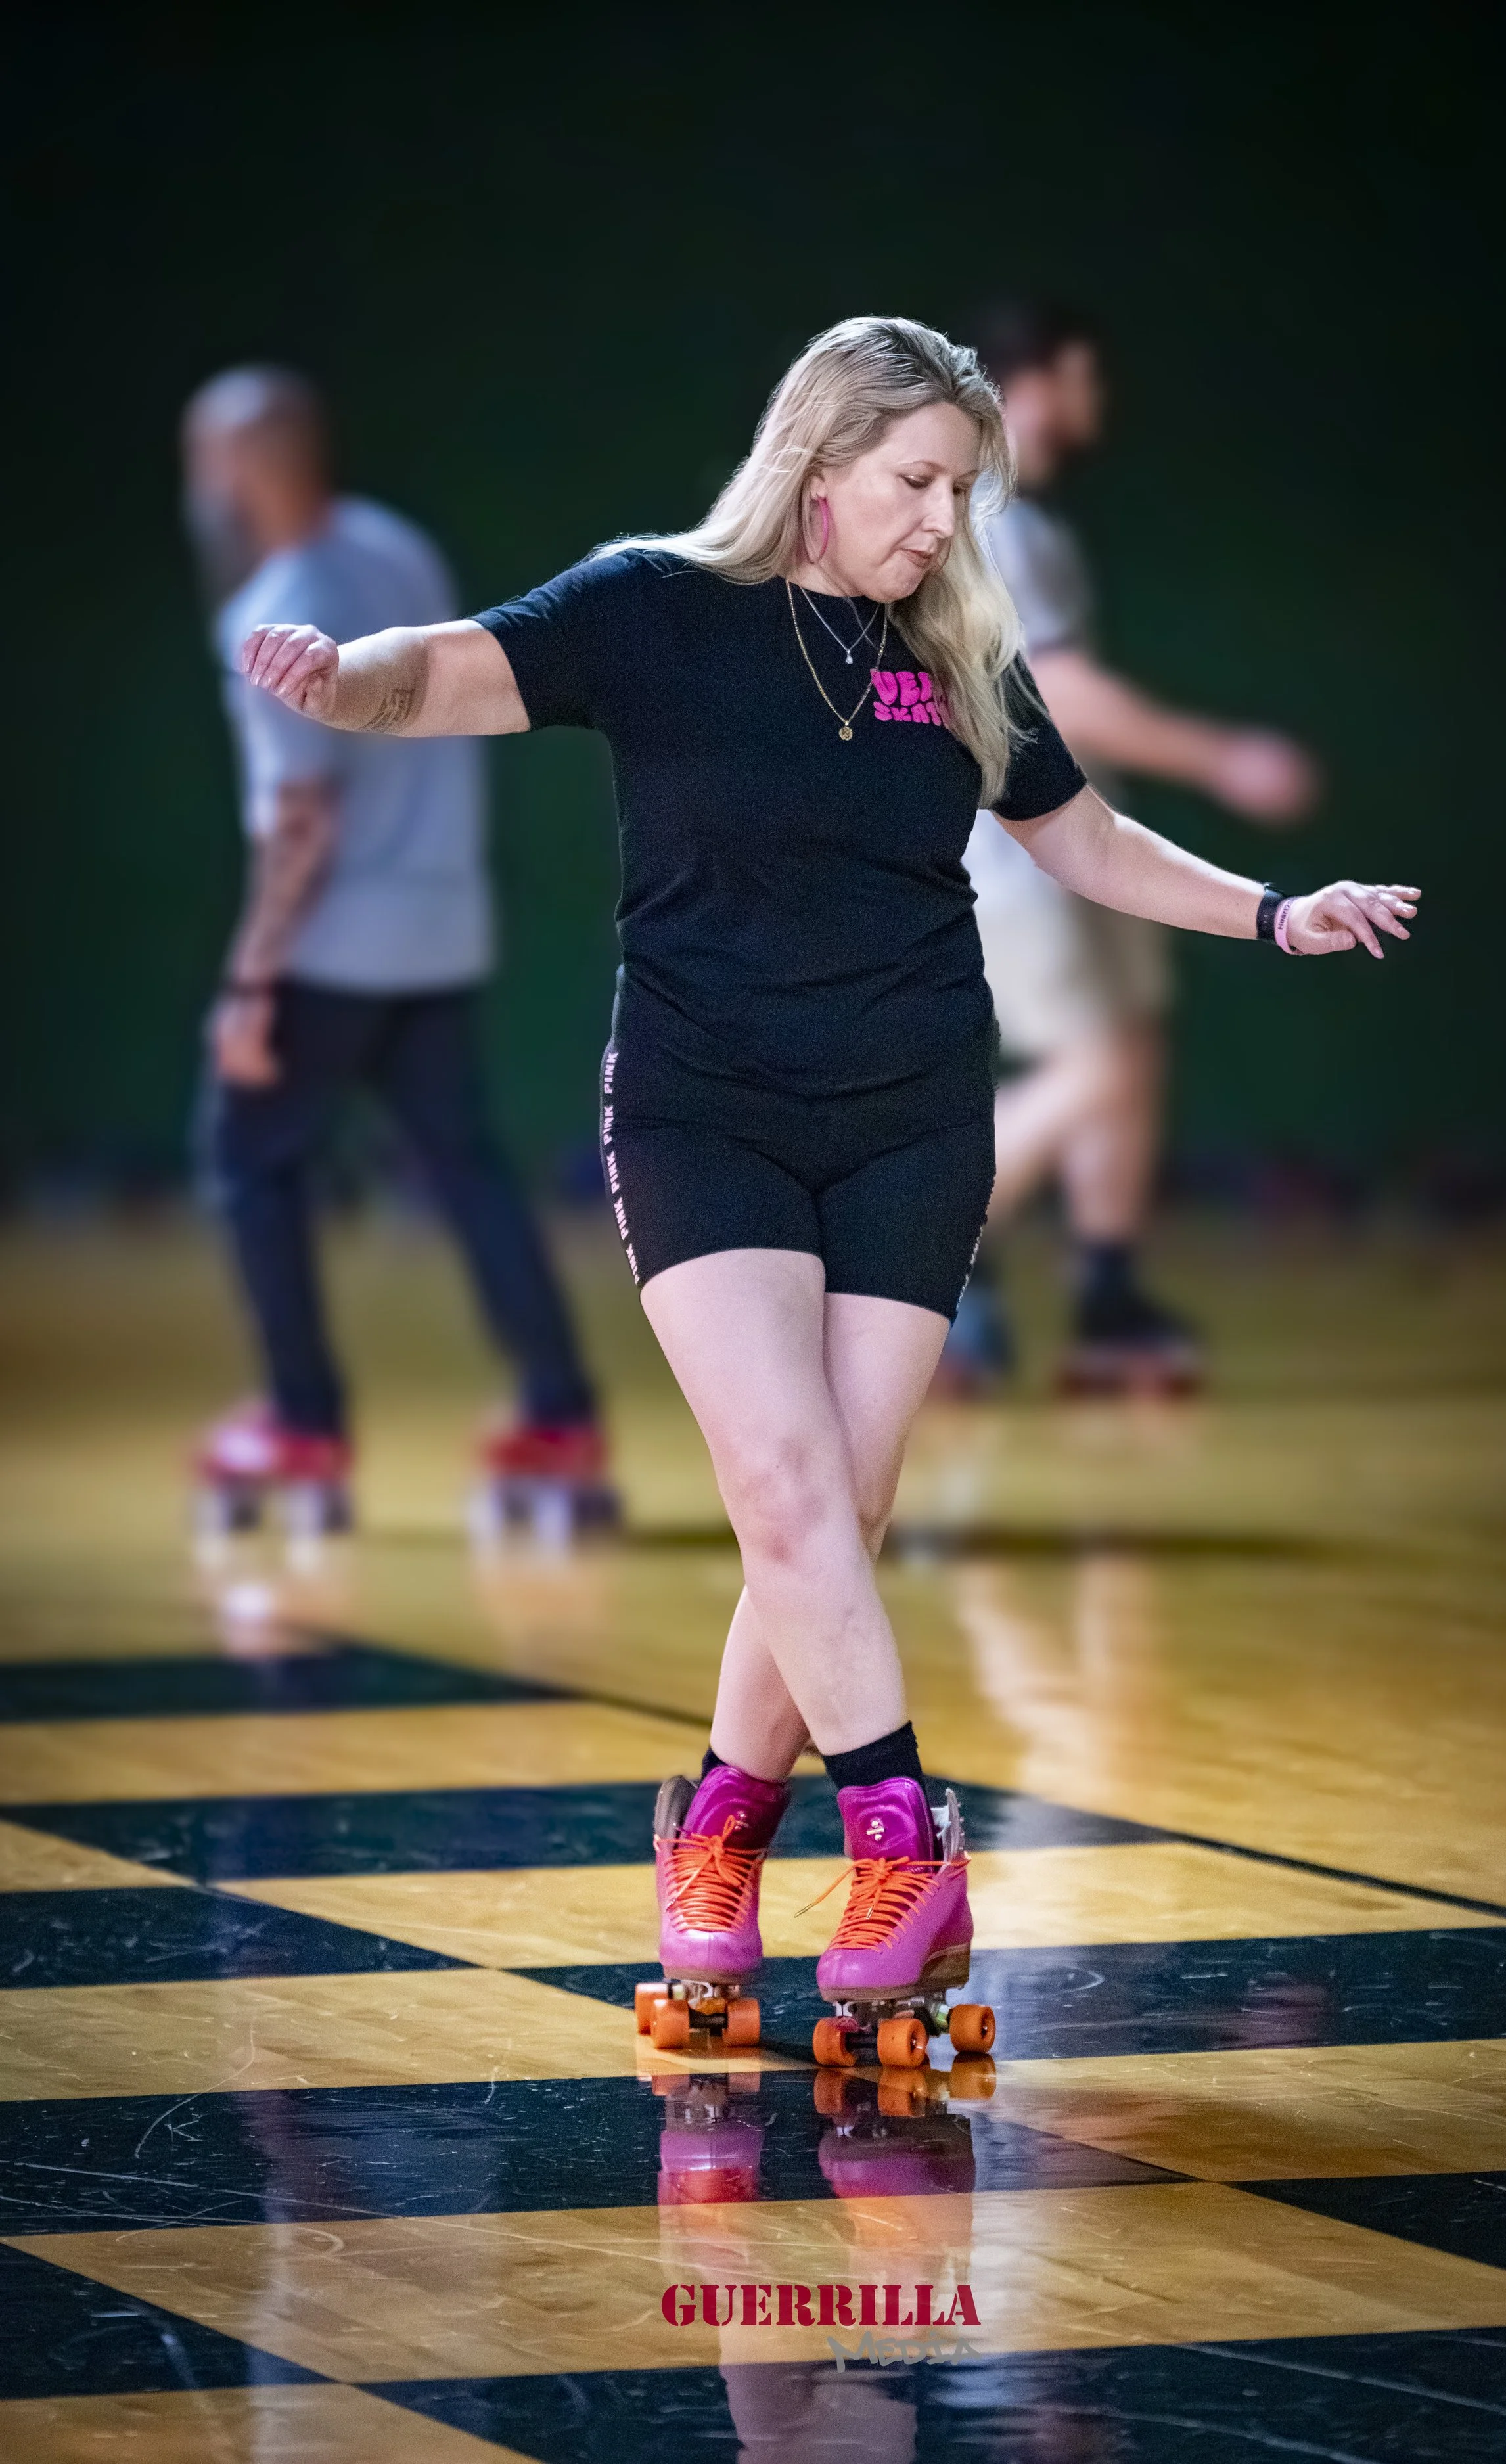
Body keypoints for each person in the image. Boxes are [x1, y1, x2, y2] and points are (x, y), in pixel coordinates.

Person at [236, 317, 1417, 2054]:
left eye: (963, 489)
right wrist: (342, 675)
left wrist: (1268, 907)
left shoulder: (954, 649)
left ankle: (714, 1830)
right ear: (818, 458)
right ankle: (900, 1832)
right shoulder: (650, 607)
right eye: (917, 483)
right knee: (782, 1491)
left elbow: (1079, 837)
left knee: (831, 1518)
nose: (944, 522)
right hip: (705, 1110)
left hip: (911, 1117)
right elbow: (449, 670)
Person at [183, 367, 610, 1536]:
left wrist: (252, 980)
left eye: (210, 460)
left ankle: (303, 1422)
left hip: (331, 951)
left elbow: (302, 816)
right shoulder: (399, 550)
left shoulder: (270, 603)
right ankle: (562, 1409)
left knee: (246, 1159)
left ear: (245, 466)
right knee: (469, 1174)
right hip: (438, 930)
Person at [949, 301, 1320, 1395]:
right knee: (1095, 1066)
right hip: (1007, 843)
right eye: (1086, 377)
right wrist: (1224, 759)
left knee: (1133, 1047)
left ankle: (1108, 1297)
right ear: (1041, 381)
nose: (1097, 402)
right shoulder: (989, 514)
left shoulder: (1037, 525)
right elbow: (1055, 692)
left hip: (1076, 832)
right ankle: (932, 1252)